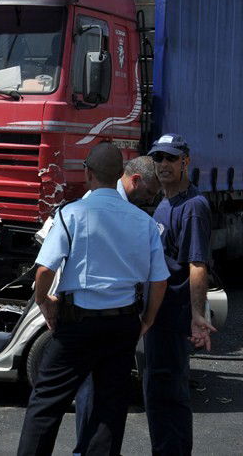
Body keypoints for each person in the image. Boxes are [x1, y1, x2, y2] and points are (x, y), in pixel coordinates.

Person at [17, 144, 169, 456]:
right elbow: (159, 280)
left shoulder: (71, 213)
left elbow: (45, 269)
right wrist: (147, 319)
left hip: (79, 323)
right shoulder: (144, 223)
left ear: (88, 174)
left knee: (46, 403)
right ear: (119, 176)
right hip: (123, 323)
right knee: (110, 408)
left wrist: (43, 300)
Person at [73, 155, 163, 454]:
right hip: (100, 314)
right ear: (135, 180)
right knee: (95, 391)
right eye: (149, 193)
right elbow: (158, 277)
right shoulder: (110, 208)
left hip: (105, 313)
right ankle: (86, 449)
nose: (150, 200)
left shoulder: (115, 207)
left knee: (108, 393)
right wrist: (147, 319)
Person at [145, 134, 217, 455]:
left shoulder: (193, 207)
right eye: (157, 158)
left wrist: (198, 316)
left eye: (170, 158)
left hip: (172, 319)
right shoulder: (166, 201)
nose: (162, 165)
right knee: (157, 398)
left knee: (170, 398)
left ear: (185, 161)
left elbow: (197, 265)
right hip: (156, 318)